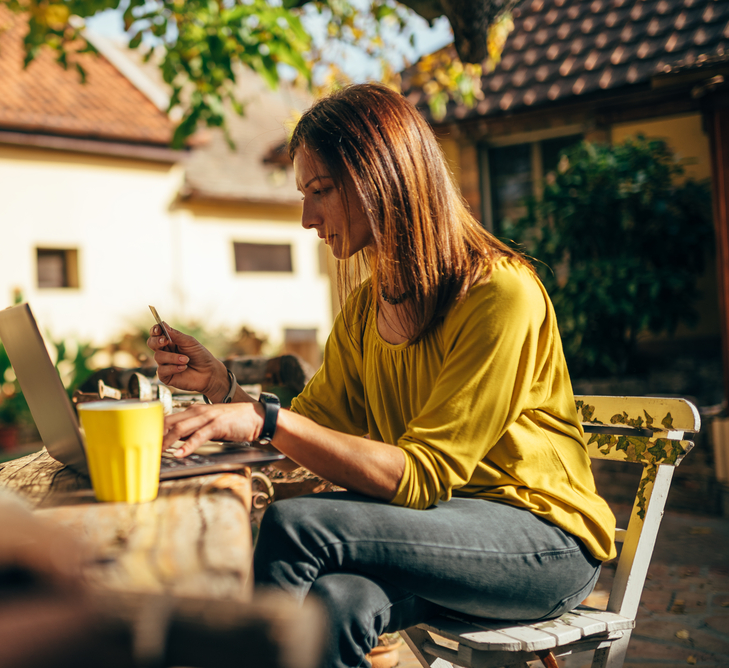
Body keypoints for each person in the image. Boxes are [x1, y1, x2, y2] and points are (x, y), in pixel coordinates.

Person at [147, 83, 617, 668]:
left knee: (298, 524)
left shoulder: (501, 295)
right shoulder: (367, 311)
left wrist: (265, 419)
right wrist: (223, 389)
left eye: (320, 191)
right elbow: (307, 429)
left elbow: (422, 475)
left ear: (384, 178)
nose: (306, 219)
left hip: (542, 545)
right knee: (332, 604)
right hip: (442, 534)